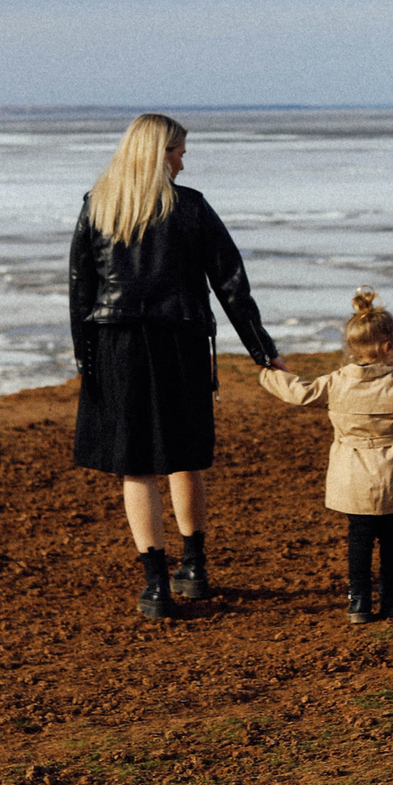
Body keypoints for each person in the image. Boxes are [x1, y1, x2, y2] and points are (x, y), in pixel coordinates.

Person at [69, 113, 282, 620]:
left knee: (137, 465)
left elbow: (81, 291)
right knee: (184, 455)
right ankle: (195, 567)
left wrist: (86, 362)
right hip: (181, 342)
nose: (183, 163)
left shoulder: (100, 205)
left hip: (117, 345)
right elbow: (231, 282)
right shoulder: (191, 208)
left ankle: (156, 586)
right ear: (157, 153)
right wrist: (261, 349)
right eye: (178, 153)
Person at [256, 289, 393, 625]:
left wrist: (269, 372)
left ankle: (359, 601)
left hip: (352, 477)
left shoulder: (336, 382)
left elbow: (299, 392)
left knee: (359, 540)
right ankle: (391, 600)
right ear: (388, 347)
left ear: (352, 346)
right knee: (392, 540)